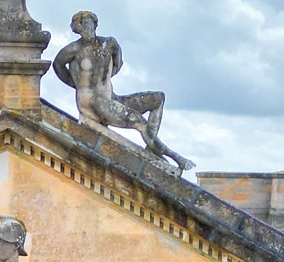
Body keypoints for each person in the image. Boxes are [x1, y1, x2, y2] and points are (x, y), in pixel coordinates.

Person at [53, 11, 193, 171]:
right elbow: (58, 65)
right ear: (76, 28)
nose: (86, 29)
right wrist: (78, 85)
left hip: (110, 97)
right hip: (91, 101)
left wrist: (104, 80)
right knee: (139, 121)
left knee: (157, 99)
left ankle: (152, 147)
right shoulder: (73, 49)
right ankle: (175, 157)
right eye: (81, 25)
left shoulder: (109, 43)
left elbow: (118, 63)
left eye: (88, 24)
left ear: (95, 25)